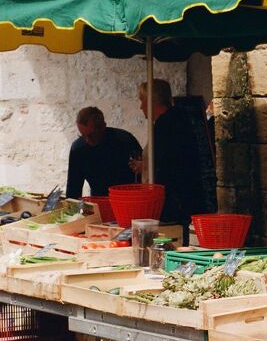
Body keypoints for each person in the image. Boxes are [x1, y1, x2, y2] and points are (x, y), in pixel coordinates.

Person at [132, 79, 210, 233]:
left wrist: (148, 167)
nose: (141, 107)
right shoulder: (176, 119)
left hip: (175, 202)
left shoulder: (167, 124)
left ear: (152, 101)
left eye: (142, 101)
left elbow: (168, 164)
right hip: (182, 198)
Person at [65, 107, 140, 199]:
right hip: (99, 200)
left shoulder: (124, 140)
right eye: (83, 136)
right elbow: (73, 187)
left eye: (91, 135)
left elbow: (142, 175)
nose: (88, 140)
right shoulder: (78, 148)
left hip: (127, 199)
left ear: (103, 126)